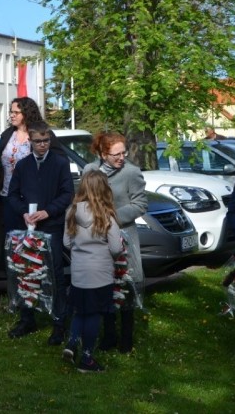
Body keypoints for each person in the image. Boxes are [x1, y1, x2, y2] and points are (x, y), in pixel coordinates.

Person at [6, 121, 74, 344]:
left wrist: (48, 212)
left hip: (51, 225)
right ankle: (27, 318)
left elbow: (67, 194)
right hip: (28, 226)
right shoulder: (23, 165)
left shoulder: (61, 163)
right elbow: (13, 195)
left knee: (54, 274)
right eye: (38, 141)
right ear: (31, 142)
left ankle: (59, 322)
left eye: (46, 141)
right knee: (26, 271)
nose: (43, 145)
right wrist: (24, 212)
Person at [84, 132, 147, 353]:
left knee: (126, 282)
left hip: (124, 235)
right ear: (102, 154)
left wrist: (112, 219)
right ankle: (108, 335)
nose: (122, 157)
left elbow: (140, 203)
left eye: (124, 152)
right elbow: (83, 200)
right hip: (97, 237)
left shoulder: (131, 172)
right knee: (105, 283)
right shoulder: (89, 171)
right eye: (116, 154)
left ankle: (127, 339)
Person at [63, 171, 123, 373]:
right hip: (100, 272)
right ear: (104, 189)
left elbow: (66, 242)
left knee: (80, 311)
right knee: (95, 315)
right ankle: (87, 358)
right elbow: (115, 248)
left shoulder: (71, 212)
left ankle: (72, 343)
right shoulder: (107, 216)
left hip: (79, 272)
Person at [0, 97, 66, 230]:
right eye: (11, 111)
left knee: (34, 245)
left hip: (34, 201)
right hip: (8, 196)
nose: (12, 115)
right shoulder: (8, 135)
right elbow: (1, 161)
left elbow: (59, 161)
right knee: (12, 243)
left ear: (27, 113)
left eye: (16, 112)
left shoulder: (42, 135)